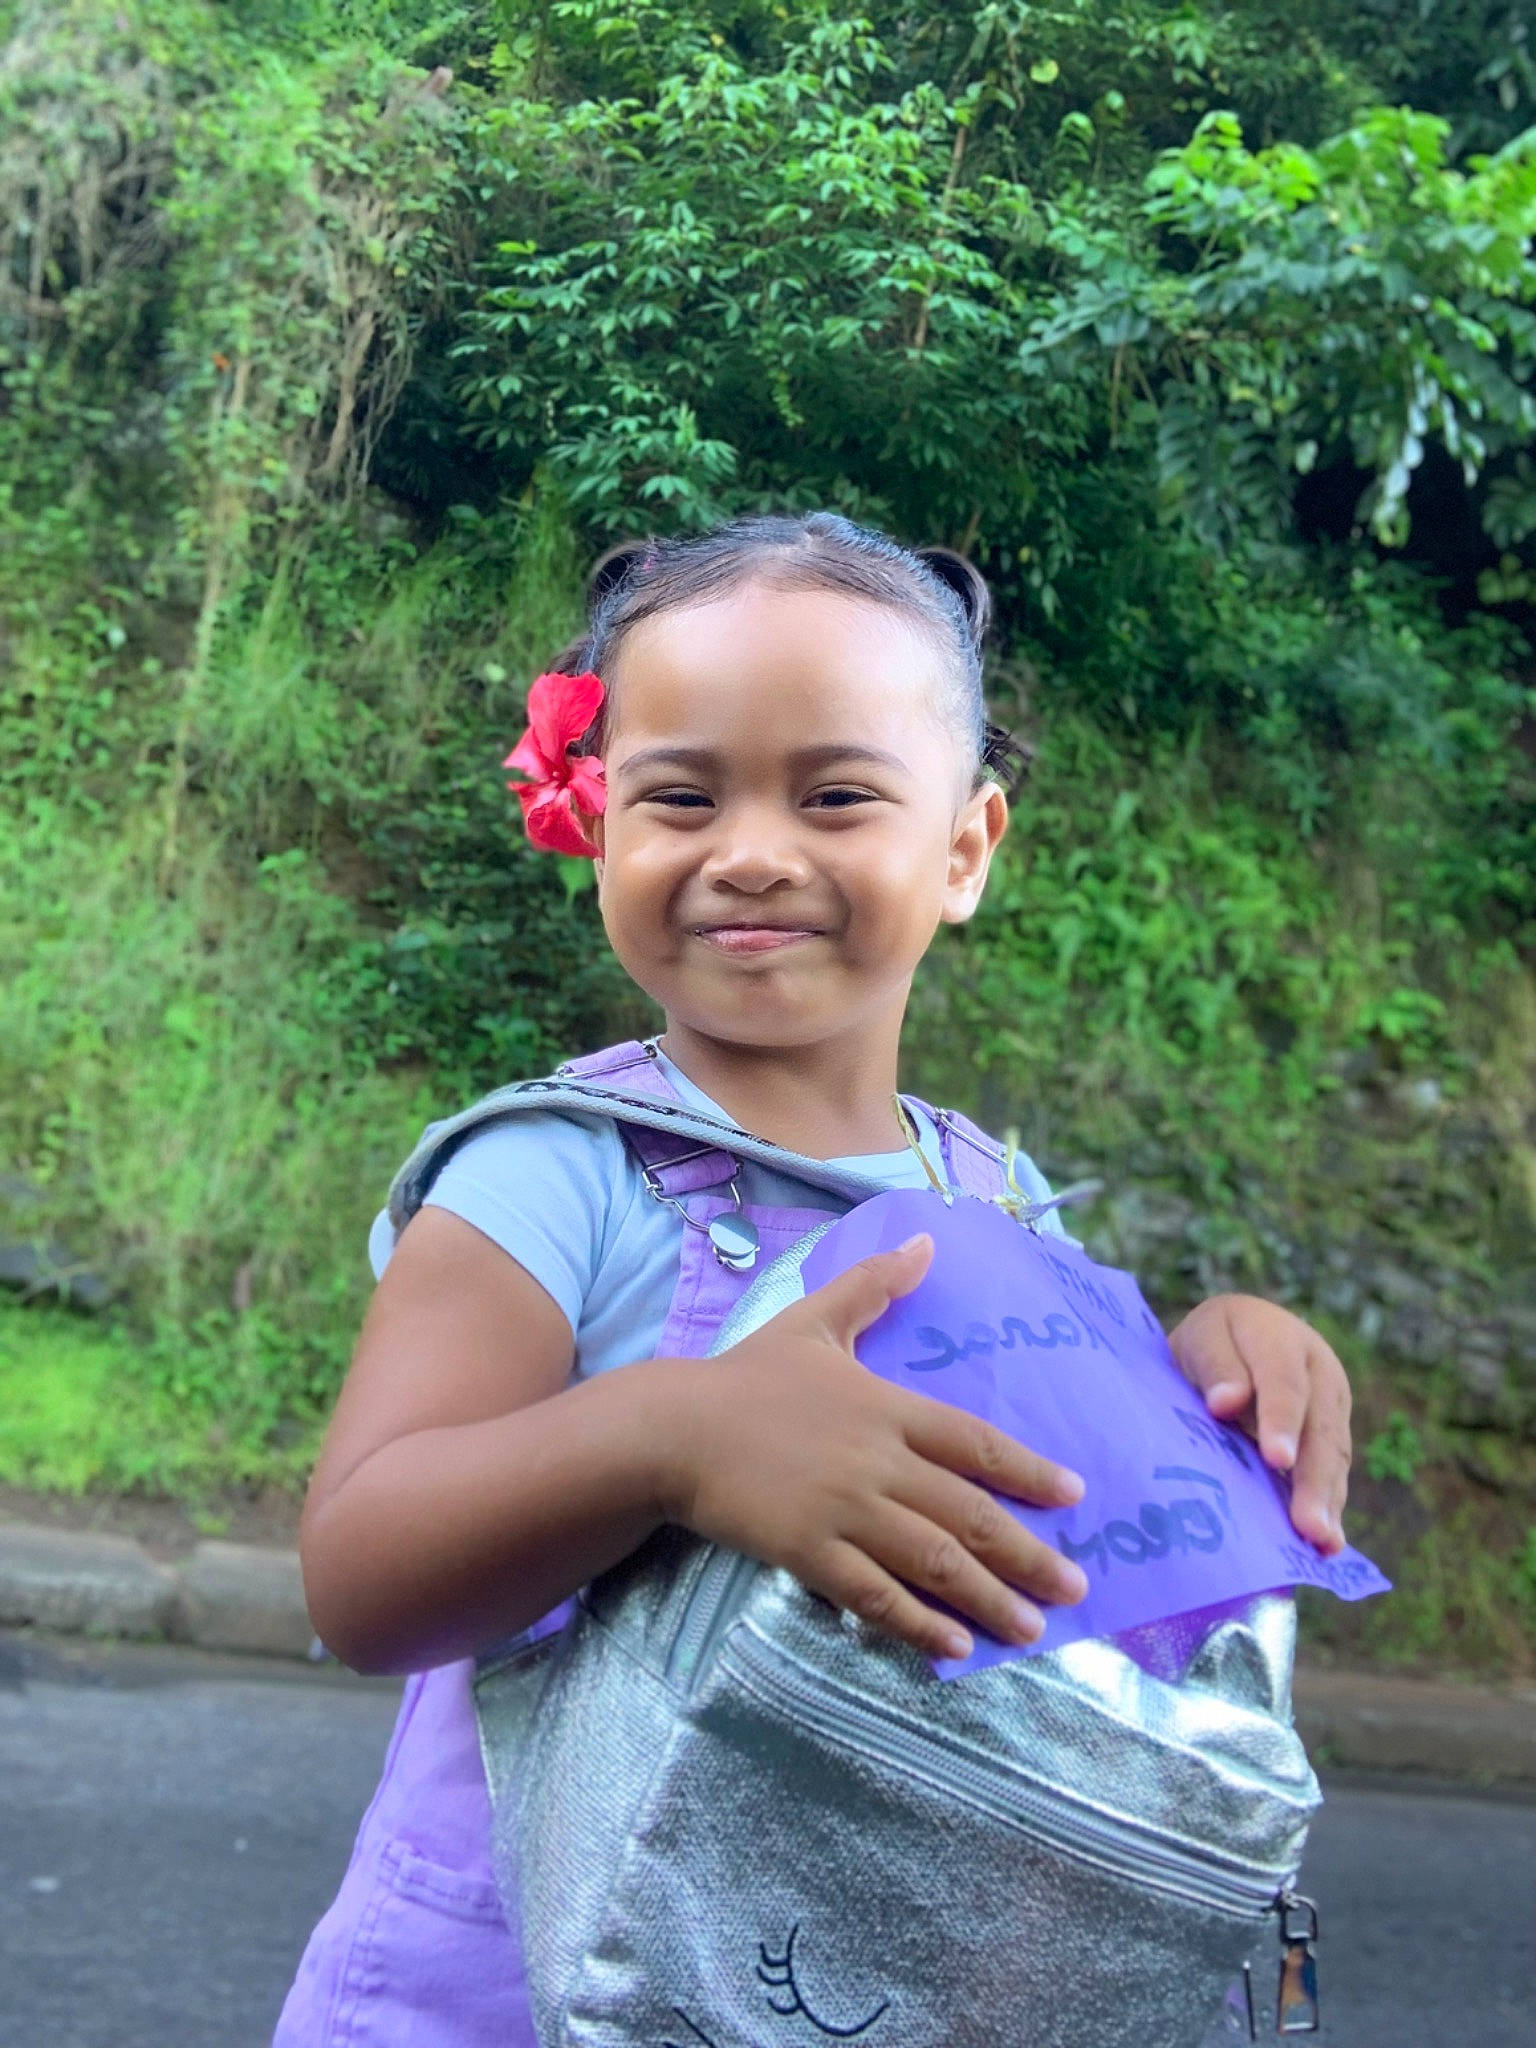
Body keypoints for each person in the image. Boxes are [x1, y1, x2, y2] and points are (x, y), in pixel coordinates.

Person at [275, 513, 1352, 2046]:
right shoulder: (555, 1171)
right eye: (682, 797)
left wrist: (1211, 1371)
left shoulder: (1001, 1205)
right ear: (601, 826)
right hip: (495, 1993)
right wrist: (671, 1440)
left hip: (845, 1983)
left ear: (966, 848)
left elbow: (1070, 1565)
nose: (753, 850)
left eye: (838, 794)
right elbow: (361, 1577)